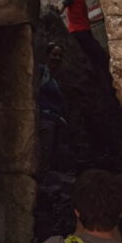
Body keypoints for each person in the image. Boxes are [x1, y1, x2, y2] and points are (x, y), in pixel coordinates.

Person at [59, 0, 109, 74]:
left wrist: (99, 19)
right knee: (101, 57)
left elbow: (83, 18)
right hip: (79, 33)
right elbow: (62, 8)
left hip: (84, 31)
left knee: (94, 60)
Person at [38, 42, 66, 174]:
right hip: (45, 119)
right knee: (44, 153)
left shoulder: (55, 78)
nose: (57, 58)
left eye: (60, 55)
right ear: (47, 55)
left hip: (55, 121)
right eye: (54, 54)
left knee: (52, 155)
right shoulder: (42, 72)